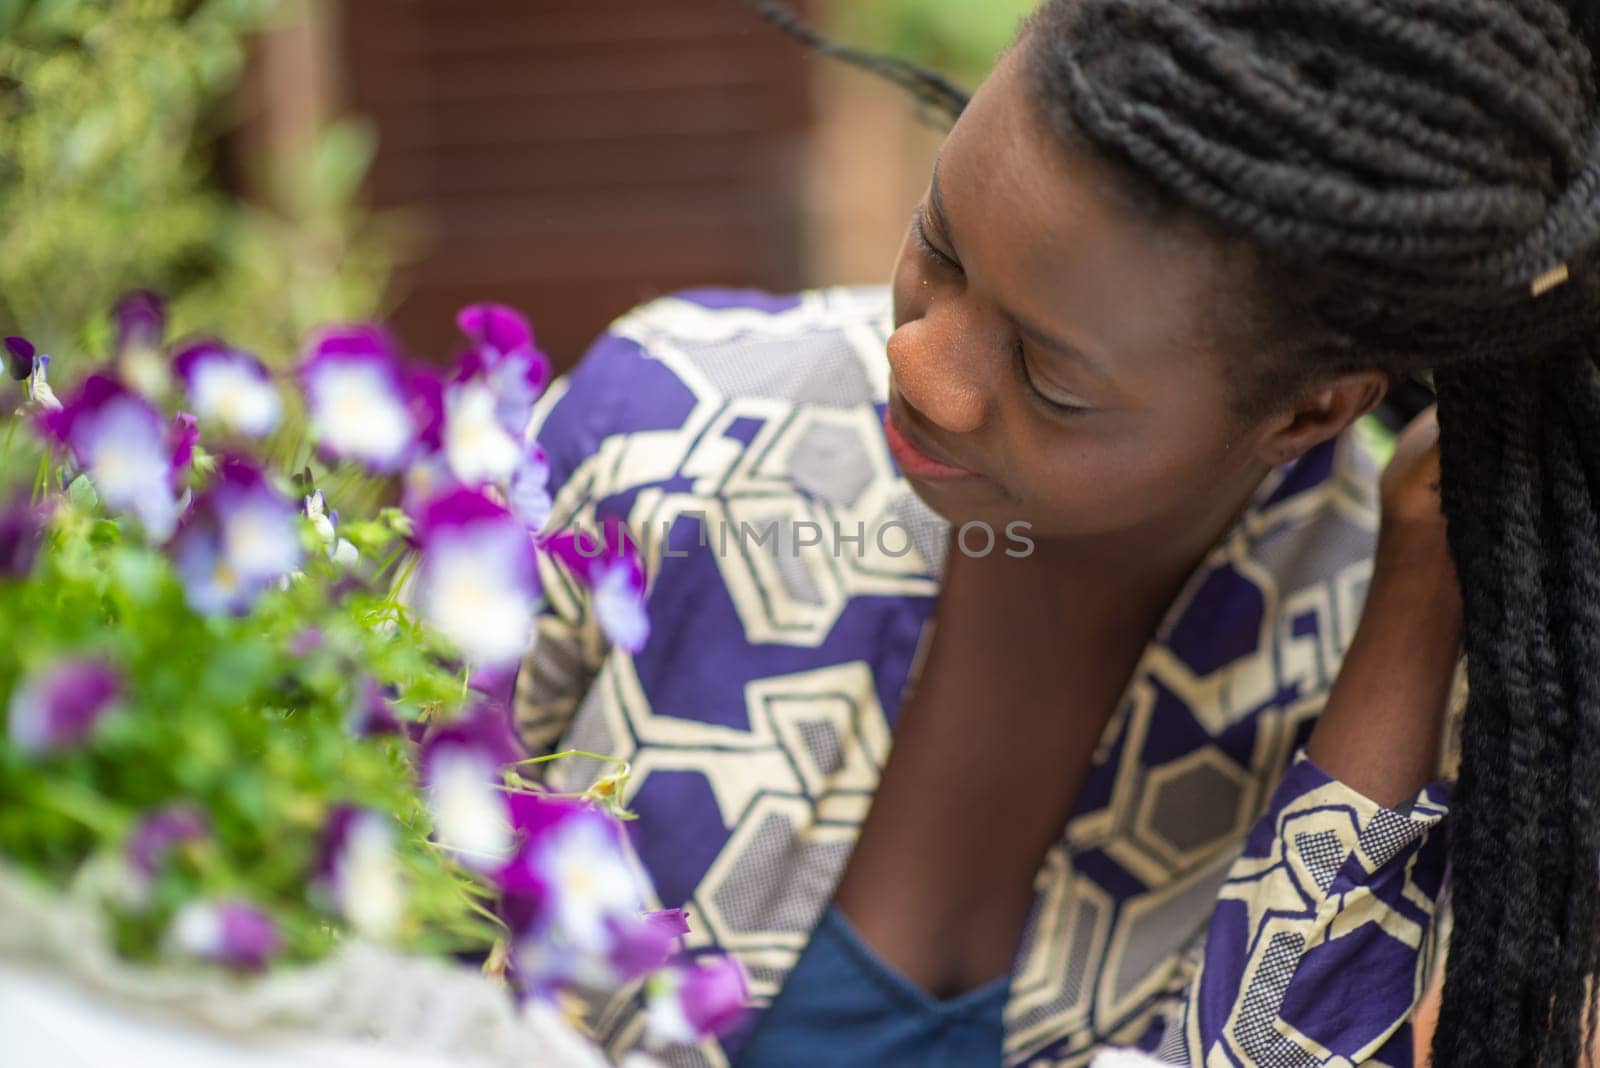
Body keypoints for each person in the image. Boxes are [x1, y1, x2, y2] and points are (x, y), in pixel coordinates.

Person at [512, 1, 1600, 1064]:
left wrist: (1412, 608)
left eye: (1047, 377)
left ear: (1309, 413)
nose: (920, 366)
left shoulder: (1438, 717)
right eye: (937, 242)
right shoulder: (662, 439)